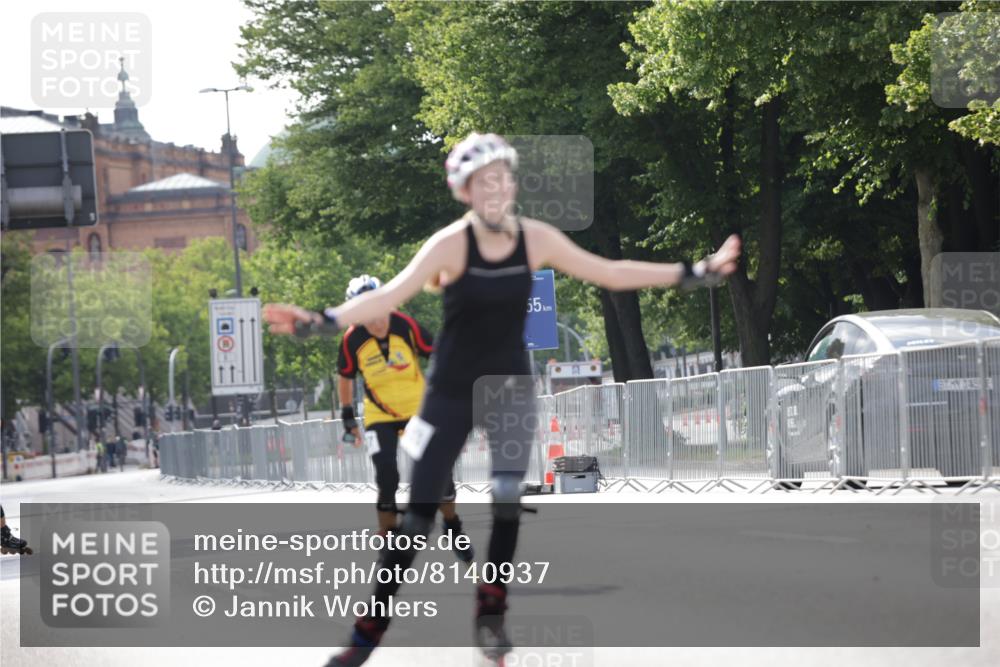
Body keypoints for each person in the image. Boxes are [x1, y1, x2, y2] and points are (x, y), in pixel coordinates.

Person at [263, 132, 741, 666]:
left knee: (507, 496)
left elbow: (609, 272)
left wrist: (693, 272)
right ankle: (366, 635)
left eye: (502, 178)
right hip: (449, 391)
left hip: (508, 387)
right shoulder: (450, 244)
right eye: (483, 182)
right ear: (464, 192)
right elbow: (389, 295)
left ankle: (491, 617)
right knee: (417, 518)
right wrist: (321, 320)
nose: (495, 189)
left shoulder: (535, 238)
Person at [337, 274, 472, 561]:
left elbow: (437, 353)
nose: (376, 322)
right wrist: (348, 417)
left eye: (379, 311)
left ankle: (452, 525)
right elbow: (345, 377)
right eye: (367, 315)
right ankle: (388, 538)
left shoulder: (405, 325)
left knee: (439, 473)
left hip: (416, 412)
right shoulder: (352, 340)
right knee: (386, 475)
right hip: (379, 415)